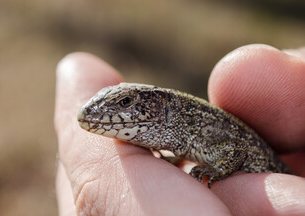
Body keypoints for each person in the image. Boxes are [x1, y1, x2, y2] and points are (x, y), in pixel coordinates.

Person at [54, 44, 305, 216]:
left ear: (159, 106)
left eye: (125, 103)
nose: (101, 112)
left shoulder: (200, 130)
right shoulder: (184, 135)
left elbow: (236, 148)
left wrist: (217, 169)